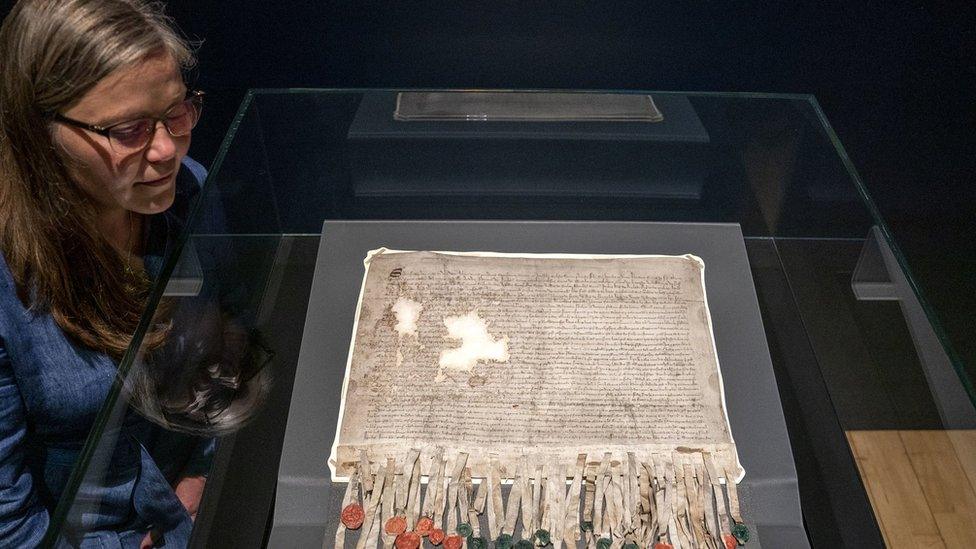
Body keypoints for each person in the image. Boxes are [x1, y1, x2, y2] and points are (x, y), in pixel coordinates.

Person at [0, 1, 246, 546]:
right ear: (40, 131)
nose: (166, 151)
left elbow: (227, 337)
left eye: (178, 111)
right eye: (129, 129)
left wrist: (205, 468)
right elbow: (8, 523)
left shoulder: (188, 192)